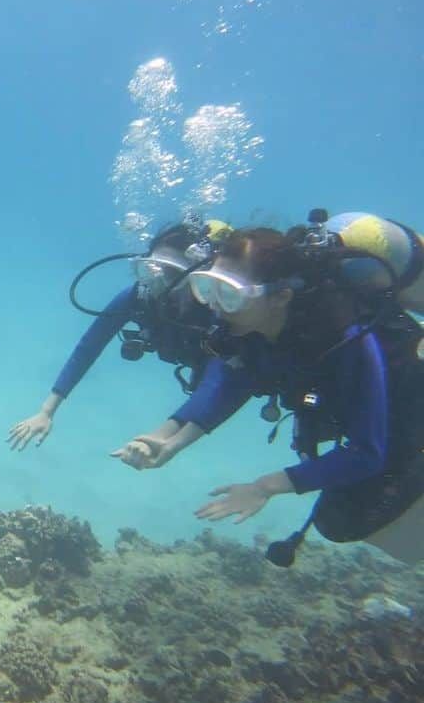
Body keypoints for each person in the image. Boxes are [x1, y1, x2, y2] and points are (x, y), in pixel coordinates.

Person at [112, 223, 424, 564]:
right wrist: (168, 442)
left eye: (229, 294)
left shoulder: (346, 337)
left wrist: (266, 486)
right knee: (339, 518)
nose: (214, 306)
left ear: (280, 297)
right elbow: (224, 388)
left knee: (352, 522)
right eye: (208, 288)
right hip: (365, 426)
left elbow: (367, 452)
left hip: (409, 419)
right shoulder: (249, 332)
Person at [7, 222, 228, 451]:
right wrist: (46, 411)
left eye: (171, 273)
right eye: (152, 269)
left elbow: (220, 382)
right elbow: (89, 346)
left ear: (195, 276)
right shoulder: (137, 297)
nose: (159, 282)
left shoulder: (214, 312)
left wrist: (168, 439)